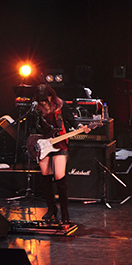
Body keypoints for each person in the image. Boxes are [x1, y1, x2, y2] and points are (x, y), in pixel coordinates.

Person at [29, 84, 90, 224]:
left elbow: (71, 120)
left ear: (51, 96)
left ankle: (65, 213)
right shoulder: (35, 109)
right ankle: (51, 208)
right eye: (41, 101)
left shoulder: (60, 105)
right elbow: (32, 128)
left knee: (59, 177)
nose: (44, 104)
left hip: (60, 142)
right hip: (43, 144)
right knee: (45, 177)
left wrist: (80, 127)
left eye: (45, 100)